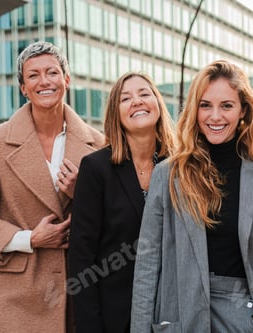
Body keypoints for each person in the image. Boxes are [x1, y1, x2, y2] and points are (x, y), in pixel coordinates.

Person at [130, 60, 253, 333]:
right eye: (205, 105)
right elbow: (148, 262)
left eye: (226, 105)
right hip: (182, 317)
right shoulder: (168, 174)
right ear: (194, 110)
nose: (215, 116)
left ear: (243, 110)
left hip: (246, 318)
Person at [0, 41, 104, 332]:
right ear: (23, 88)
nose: (44, 81)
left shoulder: (98, 145)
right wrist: (29, 238)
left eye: (52, 73)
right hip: (12, 299)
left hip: (77, 293)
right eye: (33, 75)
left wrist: (81, 195)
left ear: (66, 80)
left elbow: (118, 219)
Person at [67, 71, 175, 332]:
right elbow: (81, 258)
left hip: (173, 313)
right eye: (125, 98)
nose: (137, 101)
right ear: (116, 114)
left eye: (144, 94)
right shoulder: (95, 168)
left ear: (158, 103)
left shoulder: (181, 166)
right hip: (114, 317)